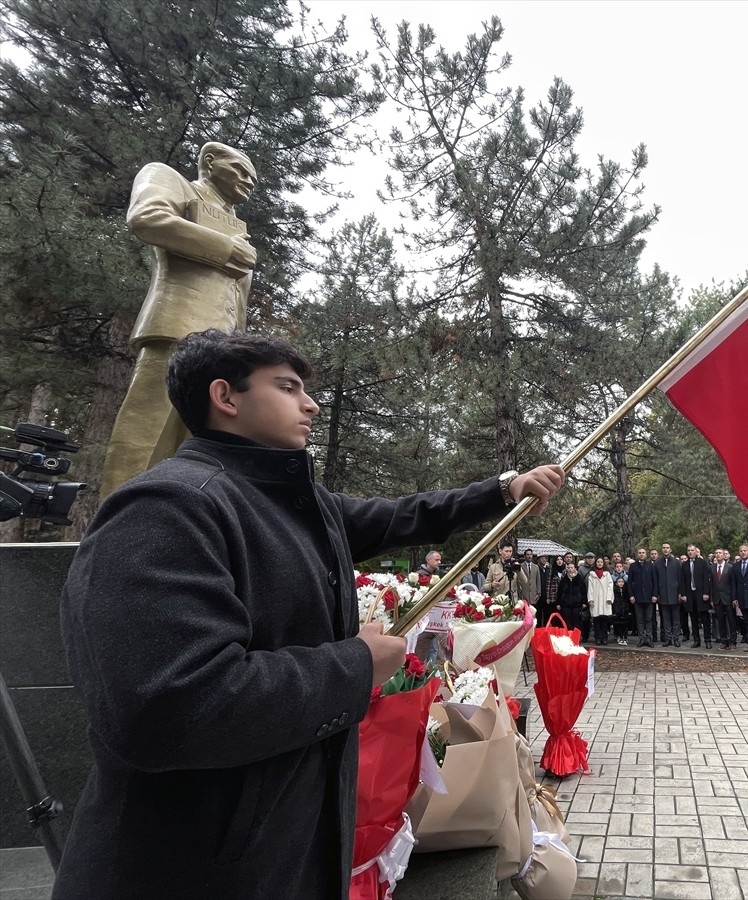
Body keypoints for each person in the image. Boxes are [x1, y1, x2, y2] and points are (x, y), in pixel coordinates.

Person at [55, 329, 564, 899]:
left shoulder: (291, 502)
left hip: (279, 848)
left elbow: (398, 516)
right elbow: (169, 706)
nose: (312, 403)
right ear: (226, 397)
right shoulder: (169, 508)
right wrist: (354, 666)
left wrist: (502, 490)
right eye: (288, 387)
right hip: (192, 866)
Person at [101, 144, 260, 500]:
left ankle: (187, 522)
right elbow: (147, 217)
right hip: (175, 328)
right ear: (209, 162)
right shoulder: (169, 178)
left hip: (223, 350)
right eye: (240, 170)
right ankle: (115, 522)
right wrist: (226, 249)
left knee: (205, 449)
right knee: (147, 433)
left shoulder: (235, 221)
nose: (249, 182)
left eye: (253, 178)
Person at [681, 543, 714, 648]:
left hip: (701, 594)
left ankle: (707, 640)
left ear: (696, 551)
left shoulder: (702, 563)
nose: (690, 552)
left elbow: (706, 579)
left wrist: (706, 593)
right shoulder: (684, 565)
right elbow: (682, 581)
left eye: (692, 550)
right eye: (689, 551)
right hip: (690, 595)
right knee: (693, 619)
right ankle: (696, 640)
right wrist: (683, 594)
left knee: (705, 619)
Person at [627, 548, 658, 647]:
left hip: (649, 597)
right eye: (639, 553)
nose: (641, 554)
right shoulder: (633, 566)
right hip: (637, 597)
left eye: (643, 553)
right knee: (639, 619)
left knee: (649, 619)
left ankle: (649, 638)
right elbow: (629, 582)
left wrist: (654, 595)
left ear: (646, 554)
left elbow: (655, 582)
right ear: (637, 554)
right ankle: (641, 638)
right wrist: (631, 595)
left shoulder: (651, 565)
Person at [655, 542, 682, 647]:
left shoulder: (677, 562)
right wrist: (657, 594)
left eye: (667, 548)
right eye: (664, 548)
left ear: (670, 550)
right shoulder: (657, 563)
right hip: (663, 595)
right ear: (662, 550)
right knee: (665, 619)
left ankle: (675, 638)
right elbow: (656, 580)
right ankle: (668, 638)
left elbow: (680, 579)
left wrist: (680, 592)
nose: (665, 549)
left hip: (675, 594)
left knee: (676, 619)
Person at [712, 548, 737, 650]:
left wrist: (734, 598)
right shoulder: (712, 568)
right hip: (717, 598)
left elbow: (733, 584)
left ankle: (733, 641)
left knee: (731, 621)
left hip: (728, 598)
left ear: (724, 555)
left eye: (720, 553)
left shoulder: (730, 567)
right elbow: (711, 584)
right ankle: (724, 641)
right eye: (716, 553)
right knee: (720, 621)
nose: (718, 555)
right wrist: (712, 598)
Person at [587, 555, 615, 645]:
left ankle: (604, 638)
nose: (599, 563)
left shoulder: (607, 575)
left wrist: (609, 598)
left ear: (603, 563)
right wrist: (590, 599)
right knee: (596, 620)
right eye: (598, 562)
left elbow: (610, 587)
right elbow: (590, 588)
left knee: (604, 620)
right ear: (596, 563)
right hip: (596, 599)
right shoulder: (592, 575)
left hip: (605, 600)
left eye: (601, 562)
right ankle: (598, 638)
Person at [556, 561, 587, 632]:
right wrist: (558, 603)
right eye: (568, 568)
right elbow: (559, 592)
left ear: (575, 569)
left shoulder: (579, 579)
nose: (570, 569)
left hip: (577, 604)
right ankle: (569, 635)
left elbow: (583, 591)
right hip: (565, 604)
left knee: (577, 621)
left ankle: (577, 636)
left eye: (571, 568)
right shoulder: (564, 580)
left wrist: (584, 602)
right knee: (567, 621)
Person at [611, 561, 632, 645]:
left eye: (620, 566)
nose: (619, 568)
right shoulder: (612, 578)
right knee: (617, 623)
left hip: (625, 608)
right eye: (617, 567)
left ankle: (625, 637)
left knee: (625, 623)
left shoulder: (626, 578)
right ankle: (618, 636)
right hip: (617, 608)